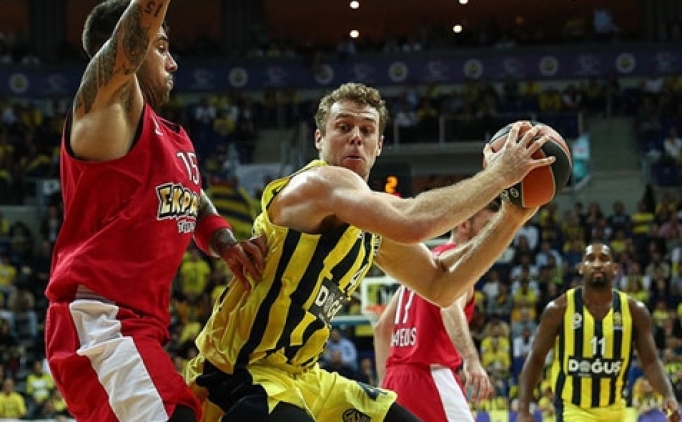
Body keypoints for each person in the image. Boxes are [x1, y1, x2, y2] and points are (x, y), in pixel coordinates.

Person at [184, 82, 554, 421]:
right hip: (237, 372)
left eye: (366, 130)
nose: (356, 138)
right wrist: (500, 175)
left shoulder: (369, 223)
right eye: (343, 127)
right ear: (319, 138)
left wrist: (512, 216)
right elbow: (414, 220)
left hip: (303, 378)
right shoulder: (317, 183)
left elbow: (441, 286)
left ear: (379, 145)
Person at [43, 2, 266, 422]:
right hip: (100, 321)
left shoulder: (171, 137)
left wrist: (224, 242)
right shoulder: (107, 108)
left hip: (139, 329)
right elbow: (129, 40)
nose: (173, 62)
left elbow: (191, 195)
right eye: (161, 48)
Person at [517, 242, 680, 422]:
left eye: (603, 259)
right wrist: (523, 409)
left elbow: (650, 362)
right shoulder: (559, 309)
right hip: (574, 409)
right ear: (581, 268)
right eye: (590, 259)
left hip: (616, 409)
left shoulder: (634, 311)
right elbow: (536, 358)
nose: (597, 264)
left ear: (615, 268)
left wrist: (668, 395)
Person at [373, 201, 498, 422]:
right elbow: (449, 308)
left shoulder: (423, 265)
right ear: (463, 225)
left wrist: (385, 383)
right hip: (429, 375)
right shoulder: (459, 265)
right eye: (487, 226)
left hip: (395, 379)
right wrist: (471, 359)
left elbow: (382, 328)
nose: (494, 235)